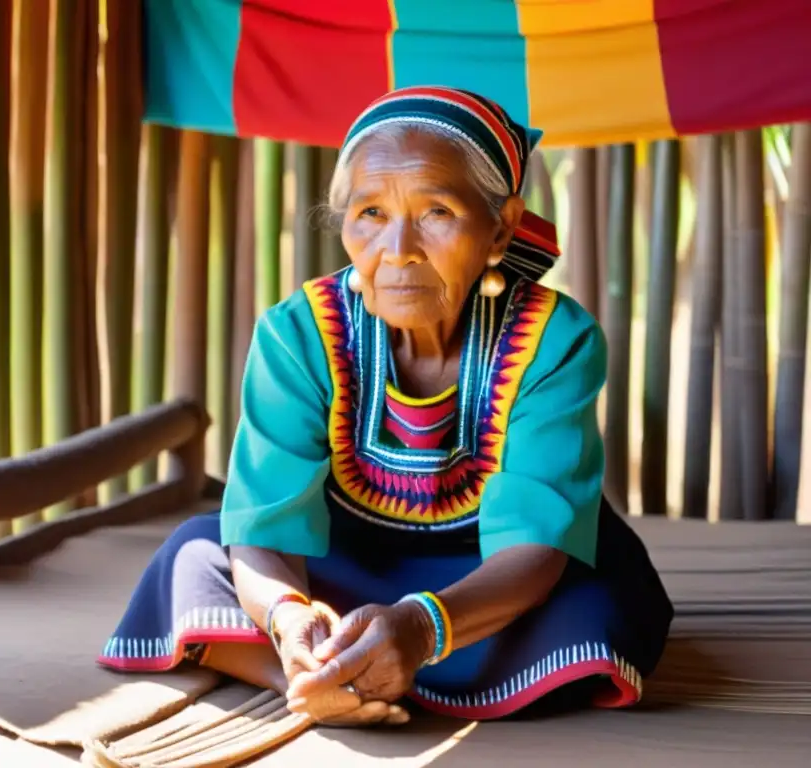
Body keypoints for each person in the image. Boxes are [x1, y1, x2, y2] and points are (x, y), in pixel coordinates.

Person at [98, 86, 673, 727]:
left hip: (491, 584)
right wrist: (291, 622)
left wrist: (423, 628)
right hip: (340, 571)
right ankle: (314, 677)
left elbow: (536, 544)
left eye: (436, 212)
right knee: (197, 556)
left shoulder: (554, 342)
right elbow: (265, 525)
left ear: (501, 229)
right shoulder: (299, 337)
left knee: (599, 601)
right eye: (370, 212)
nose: (397, 248)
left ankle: (356, 677)